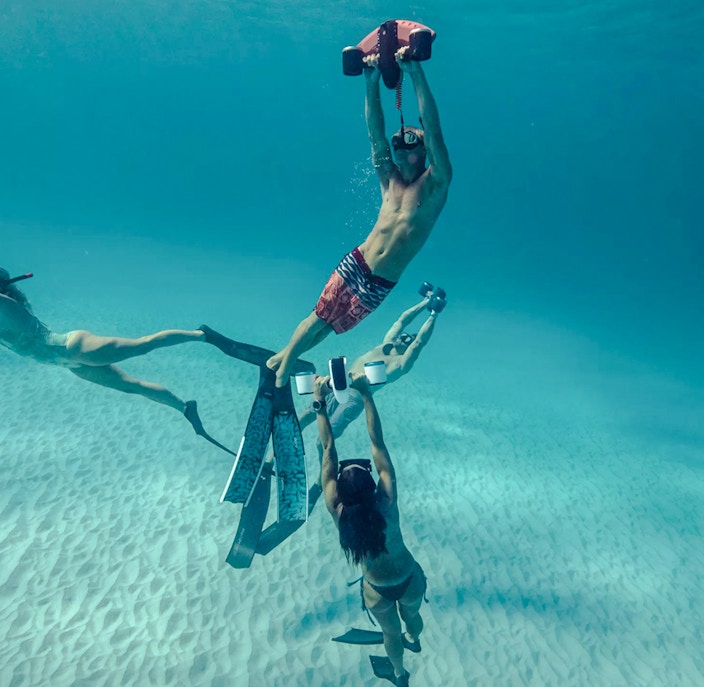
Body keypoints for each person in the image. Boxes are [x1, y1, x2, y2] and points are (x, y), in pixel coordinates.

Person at [0, 223, 231, 453]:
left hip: (75, 347)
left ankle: (202, 335)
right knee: (133, 386)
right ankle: (186, 408)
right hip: (65, 362)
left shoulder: (0, 303)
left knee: (144, 344)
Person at [265, 49, 453, 388]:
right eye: (398, 144)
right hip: (358, 261)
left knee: (330, 328)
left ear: (424, 149)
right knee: (319, 316)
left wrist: (415, 74)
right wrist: (370, 83)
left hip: (381, 283)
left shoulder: (436, 184)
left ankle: (280, 358)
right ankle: (281, 373)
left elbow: (435, 130)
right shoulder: (390, 180)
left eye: (409, 140)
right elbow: (375, 134)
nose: (399, 146)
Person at [314, 375, 426, 687]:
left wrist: (318, 403)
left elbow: (327, 448)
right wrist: (366, 394)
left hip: (377, 591)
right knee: (412, 617)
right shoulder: (387, 502)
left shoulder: (339, 513)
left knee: (389, 633)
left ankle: (400, 675)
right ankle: (414, 638)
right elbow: (378, 443)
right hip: (409, 578)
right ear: (371, 484)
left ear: (342, 494)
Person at [299, 286, 444, 439]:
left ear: (409, 347)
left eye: (408, 340)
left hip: (354, 398)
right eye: (404, 336)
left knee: (324, 440)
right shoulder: (386, 344)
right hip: (337, 384)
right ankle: (269, 459)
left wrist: (433, 315)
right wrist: (425, 302)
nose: (403, 338)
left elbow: (419, 343)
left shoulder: (400, 364)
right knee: (303, 418)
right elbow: (402, 320)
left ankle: (325, 462)